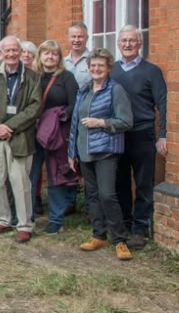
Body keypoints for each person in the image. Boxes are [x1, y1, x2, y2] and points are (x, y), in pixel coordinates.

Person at [68, 48, 134, 260]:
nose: (96, 69)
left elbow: (126, 121)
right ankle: (99, 235)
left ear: (108, 68)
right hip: (84, 151)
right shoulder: (84, 90)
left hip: (105, 151)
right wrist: (72, 152)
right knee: (93, 196)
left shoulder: (115, 90)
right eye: (93, 65)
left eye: (100, 66)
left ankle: (119, 240)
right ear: (88, 68)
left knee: (107, 194)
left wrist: (102, 122)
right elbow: (75, 124)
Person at [0, 35, 42, 243]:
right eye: (7, 51)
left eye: (15, 50)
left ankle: (24, 224)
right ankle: (2, 219)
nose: (11, 54)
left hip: (20, 136)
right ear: (2, 54)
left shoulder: (33, 77)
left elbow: (35, 107)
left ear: (21, 52)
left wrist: (11, 126)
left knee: (20, 182)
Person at [111, 25, 168, 250]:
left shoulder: (151, 71)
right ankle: (124, 224)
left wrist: (163, 135)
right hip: (118, 135)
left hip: (143, 133)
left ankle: (140, 229)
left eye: (132, 41)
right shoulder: (112, 71)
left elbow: (163, 104)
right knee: (121, 182)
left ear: (140, 44)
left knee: (144, 183)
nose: (127, 44)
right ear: (118, 44)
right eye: (124, 40)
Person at [33, 40, 79, 234]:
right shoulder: (33, 77)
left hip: (56, 134)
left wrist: (56, 117)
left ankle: (55, 219)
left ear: (59, 58)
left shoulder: (66, 78)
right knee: (31, 174)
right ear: (40, 56)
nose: (50, 57)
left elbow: (74, 104)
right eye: (46, 53)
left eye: (54, 54)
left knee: (55, 175)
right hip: (34, 132)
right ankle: (27, 215)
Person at [65, 22, 91, 88]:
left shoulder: (92, 61)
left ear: (87, 38)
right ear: (68, 38)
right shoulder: (62, 62)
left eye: (80, 37)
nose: (76, 40)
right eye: (73, 36)